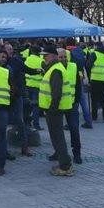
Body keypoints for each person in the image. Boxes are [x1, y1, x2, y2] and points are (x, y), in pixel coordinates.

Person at [39, 44, 73, 177]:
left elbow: (56, 93)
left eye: (45, 56)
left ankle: (65, 166)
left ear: (52, 56)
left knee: (58, 137)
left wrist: (52, 109)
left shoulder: (55, 70)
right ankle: (64, 162)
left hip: (55, 109)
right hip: (54, 109)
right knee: (57, 136)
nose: (44, 58)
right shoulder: (53, 68)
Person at [61, 48, 83, 165]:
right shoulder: (54, 68)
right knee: (58, 131)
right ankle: (59, 152)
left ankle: (77, 153)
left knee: (74, 129)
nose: (63, 59)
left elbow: (78, 85)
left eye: (65, 56)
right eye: (61, 57)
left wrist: (77, 100)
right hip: (59, 104)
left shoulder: (74, 66)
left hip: (72, 103)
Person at [87, 43, 104, 121]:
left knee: (94, 99)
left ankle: (94, 117)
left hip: (95, 79)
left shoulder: (94, 54)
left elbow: (88, 65)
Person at [23, 45, 44, 130]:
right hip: (37, 86)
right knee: (36, 106)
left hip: (27, 85)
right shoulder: (41, 61)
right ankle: (36, 124)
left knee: (28, 105)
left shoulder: (27, 59)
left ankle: (27, 123)